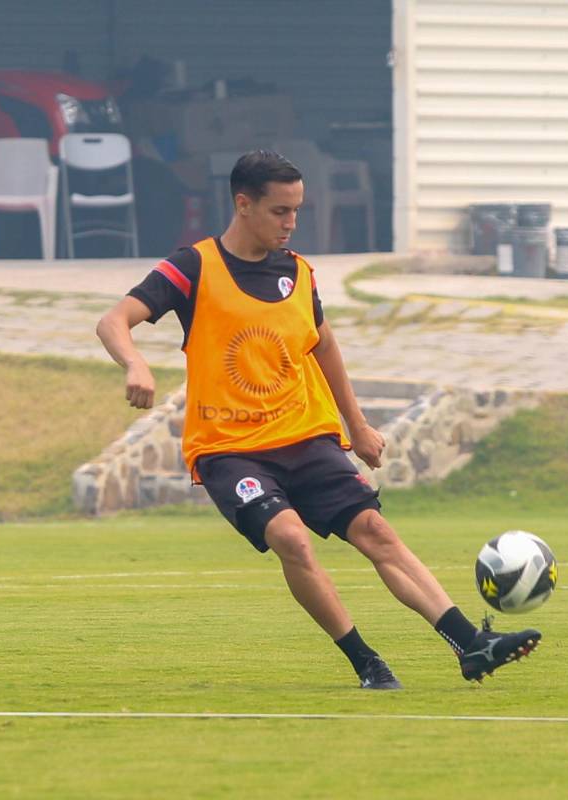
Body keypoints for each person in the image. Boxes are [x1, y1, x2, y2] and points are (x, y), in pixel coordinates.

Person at [96, 150, 540, 689]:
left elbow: (324, 343)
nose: (291, 223)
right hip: (229, 448)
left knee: (376, 530)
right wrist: (135, 362)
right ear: (244, 204)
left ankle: (472, 644)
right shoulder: (194, 266)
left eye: (297, 211)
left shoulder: (298, 273)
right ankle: (365, 660)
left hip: (305, 436)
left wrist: (356, 426)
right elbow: (114, 319)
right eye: (280, 211)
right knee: (293, 539)